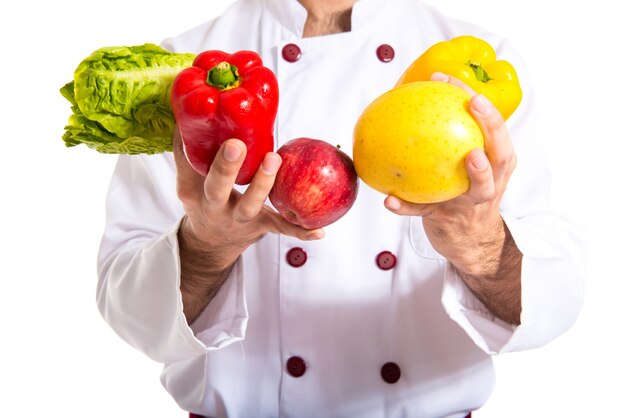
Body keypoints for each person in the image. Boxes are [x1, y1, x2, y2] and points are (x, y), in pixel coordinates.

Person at [96, 0, 585, 416]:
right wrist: (205, 247)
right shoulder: (183, 75)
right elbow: (131, 315)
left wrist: (480, 246)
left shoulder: (482, 72)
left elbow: (555, 301)